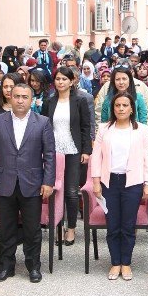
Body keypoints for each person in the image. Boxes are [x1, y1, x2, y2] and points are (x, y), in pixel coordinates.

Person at [0, 84, 55, 284]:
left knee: (32, 229)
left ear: (31, 99)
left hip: (32, 183)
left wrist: (48, 182)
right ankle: (6, 266)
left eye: (25, 96)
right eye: (17, 96)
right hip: (4, 182)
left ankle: (33, 266)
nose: (20, 100)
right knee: (6, 228)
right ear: (10, 98)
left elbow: (49, 155)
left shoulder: (42, 122)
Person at [88, 92, 148, 280]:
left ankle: (126, 263)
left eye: (125, 105)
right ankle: (115, 262)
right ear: (112, 108)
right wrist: (95, 181)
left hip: (132, 182)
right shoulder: (104, 129)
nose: (121, 109)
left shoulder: (141, 129)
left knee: (127, 225)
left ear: (132, 108)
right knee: (113, 225)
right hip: (109, 183)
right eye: (118, 105)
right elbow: (96, 157)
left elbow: (147, 158)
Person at [41, 67, 92, 247]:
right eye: (58, 79)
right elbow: (43, 126)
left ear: (72, 81)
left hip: (73, 149)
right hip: (53, 150)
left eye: (64, 79)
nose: (60, 82)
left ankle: (71, 228)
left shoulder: (80, 101)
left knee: (70, 191)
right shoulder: (49, 101)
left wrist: (86, 150)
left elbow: (86, 127)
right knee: (54, 189)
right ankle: (57, 227)